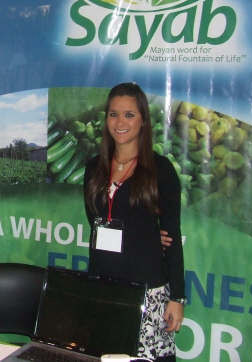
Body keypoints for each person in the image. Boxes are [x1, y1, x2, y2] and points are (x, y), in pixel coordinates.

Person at [83, 82, 185, 362]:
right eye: (113, 114)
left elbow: (172, 238)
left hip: (147, 291)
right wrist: (142, 233)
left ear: (143, 120)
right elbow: (96, 222)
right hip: (103, 286)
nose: (120, 122)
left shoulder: (161, 170)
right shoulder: (93, 168)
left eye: (129, 115)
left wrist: (177, 297)